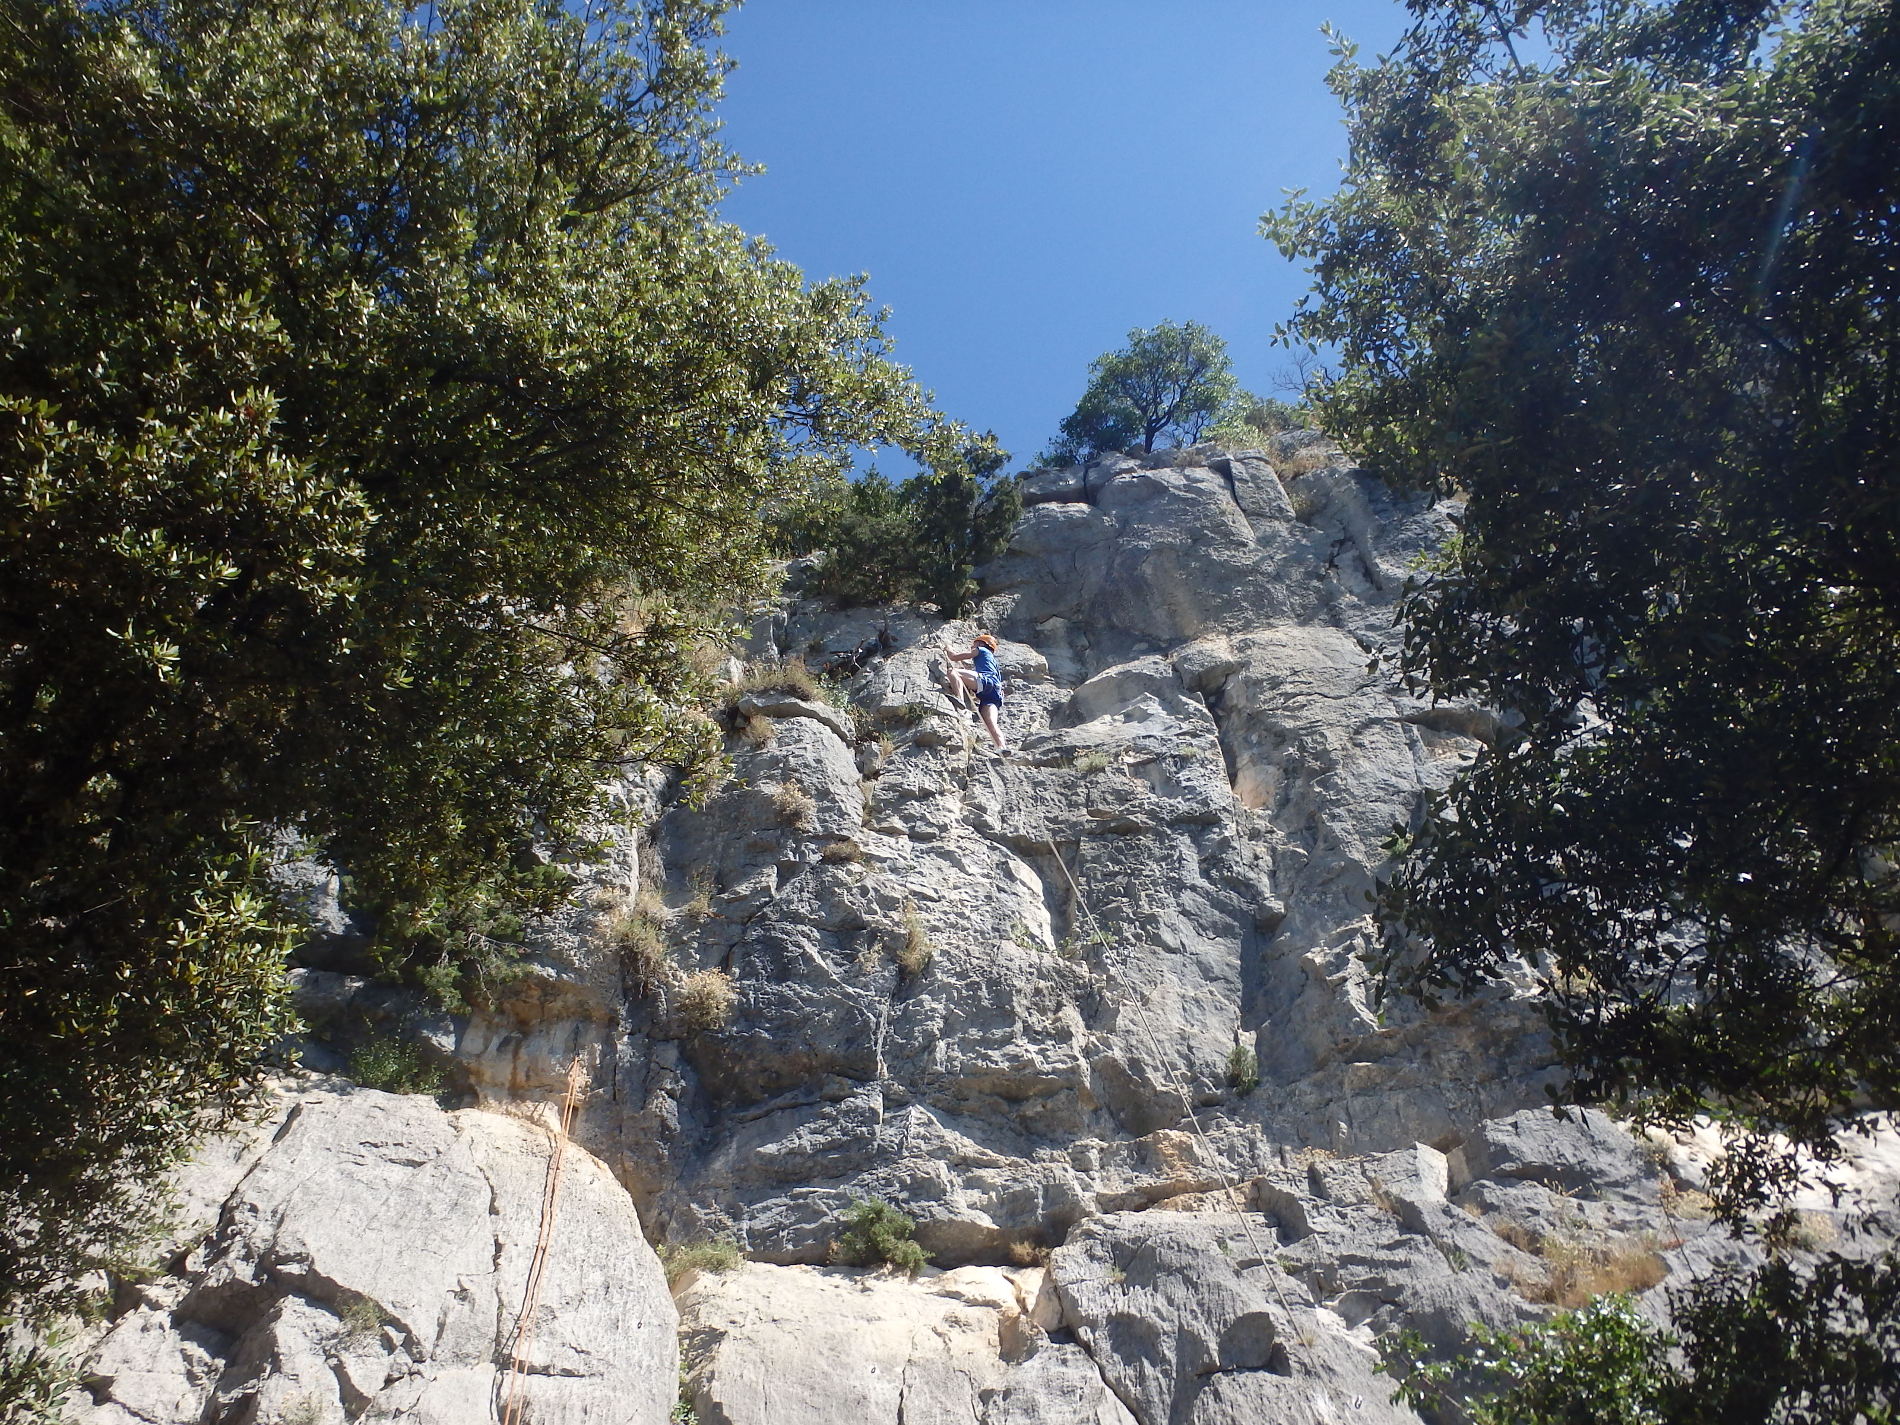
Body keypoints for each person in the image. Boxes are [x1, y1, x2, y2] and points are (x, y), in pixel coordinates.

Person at [944, 632, 1008, 750]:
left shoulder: (981, 650)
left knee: (952, 671)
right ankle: (1002, 747)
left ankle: (960, 700)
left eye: (974, 644)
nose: (972, 647)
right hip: (995, 693)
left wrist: (948, 648)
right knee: (990, 723)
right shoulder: (991, 660)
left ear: (981, 643)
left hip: (985, 681)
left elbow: (953, 657)